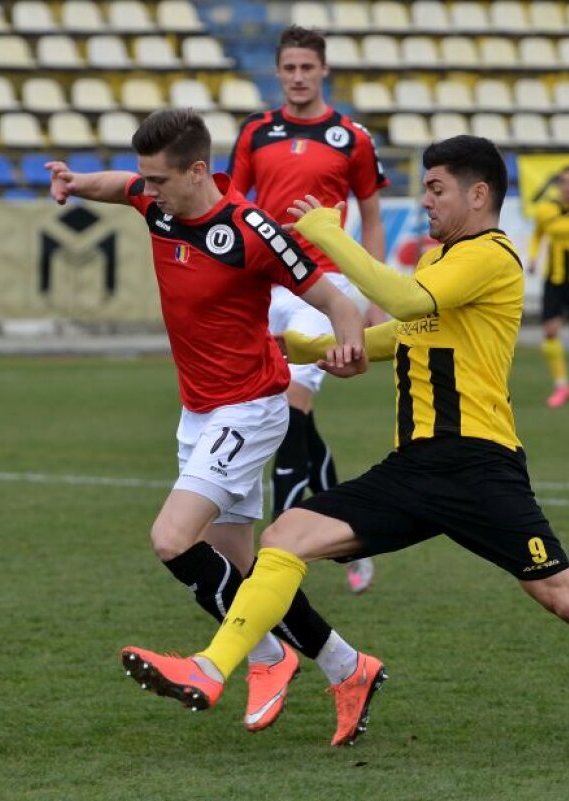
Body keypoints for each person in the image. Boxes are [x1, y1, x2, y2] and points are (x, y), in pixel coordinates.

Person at [118, 135, 569, 765]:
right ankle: (214, 668)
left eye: (435, 188)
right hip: (414, 467)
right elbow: (406, 333)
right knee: (284, 536)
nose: (425, 199)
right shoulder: (440, 262)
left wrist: (327, 234)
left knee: (567, 598)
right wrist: (312, 349)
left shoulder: (493, 256)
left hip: (480, 466)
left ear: (478, 194)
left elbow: (402, 301)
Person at [46, 110, 381, 739]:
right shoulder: (157, 205)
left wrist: (350, 347)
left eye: (159, 180)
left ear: (198, 171)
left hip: (249, 409)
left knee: (172, 539)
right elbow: (121, 186)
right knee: (242, 572)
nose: (148, 191)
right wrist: (74, 181)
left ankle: (264, 656)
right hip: (198, 412)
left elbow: (335, 300)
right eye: (146, 179)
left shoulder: (251, 231)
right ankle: (347, 666)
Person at [230, 25, 389, 594]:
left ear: (324, 70)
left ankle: (278, 555)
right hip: (266, 284)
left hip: (324, 285)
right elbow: (233, 208)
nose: (298, 77)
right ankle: (352, 541)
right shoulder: (256, 133)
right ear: (278, 72)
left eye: (307, 67)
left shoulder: (352, 138)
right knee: (289, 418)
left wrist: (372, 297)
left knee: (291, 407)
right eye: (289, 68)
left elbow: (372, 218)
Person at [527, 166, 569, 408]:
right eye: (565, 182)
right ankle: (561, 385)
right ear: (559, 185)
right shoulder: (546, 210)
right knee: (550, 330)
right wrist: (533, 258)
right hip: (554, 280)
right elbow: (538, 235)